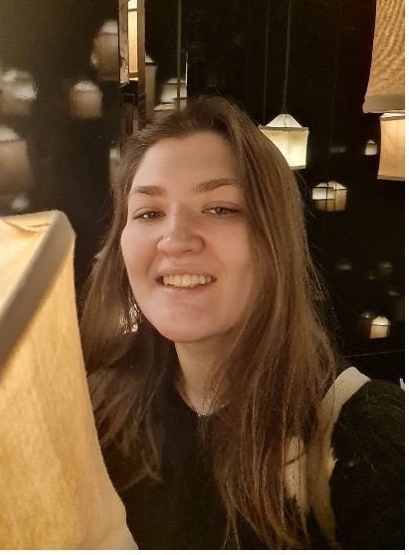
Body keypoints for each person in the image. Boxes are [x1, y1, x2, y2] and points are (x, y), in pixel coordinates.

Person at [80, 96, 404, 549]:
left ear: (274, 240)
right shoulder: (97, 411)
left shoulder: (368, 439)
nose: (174, 240)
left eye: (220, 208)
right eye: (149, 212)